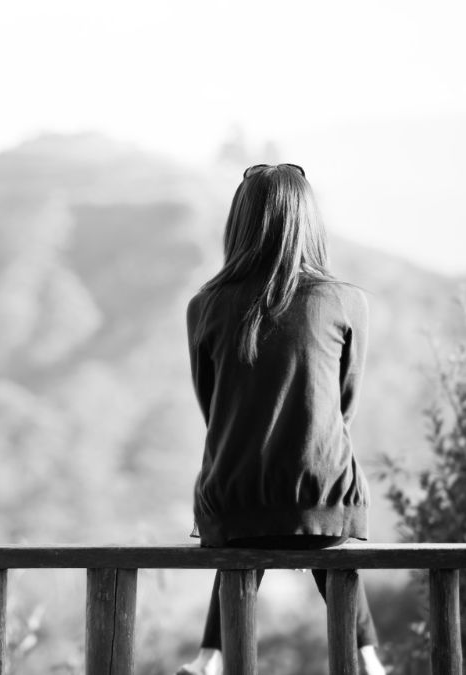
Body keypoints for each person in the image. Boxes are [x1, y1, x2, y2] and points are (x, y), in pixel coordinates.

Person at [176, 164, 386, 675]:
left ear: (240, 223)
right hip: (321, 491)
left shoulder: (204, 306)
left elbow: (214, 409)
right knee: (329, 542)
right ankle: (368, 658)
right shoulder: (345, 301)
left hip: (234, 498)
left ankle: (210, 656)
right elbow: (344, 406)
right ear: (308, 221)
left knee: (241, 532)